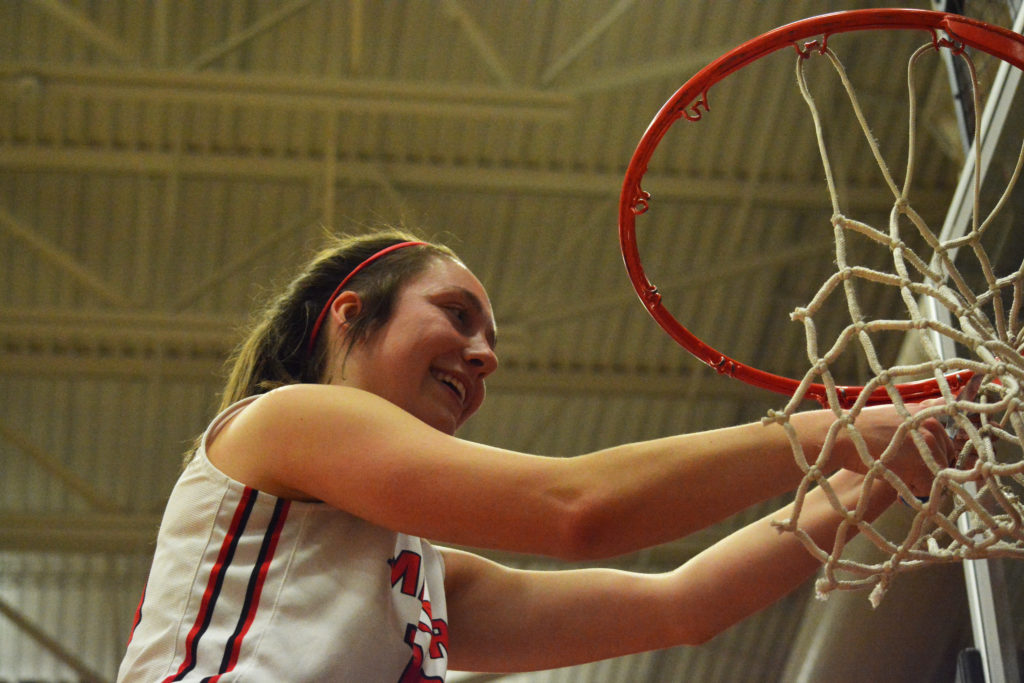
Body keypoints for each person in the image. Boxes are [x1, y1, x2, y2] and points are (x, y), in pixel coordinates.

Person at [117, 228, 952, 681]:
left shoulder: (419, 579)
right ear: (349, 315)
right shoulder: (285, 420)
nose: (484, 354)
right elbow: (578, 509)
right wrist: (840, 426)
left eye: (488, 338)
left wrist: (876, 472)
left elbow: (683, 606)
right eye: (455, 314)